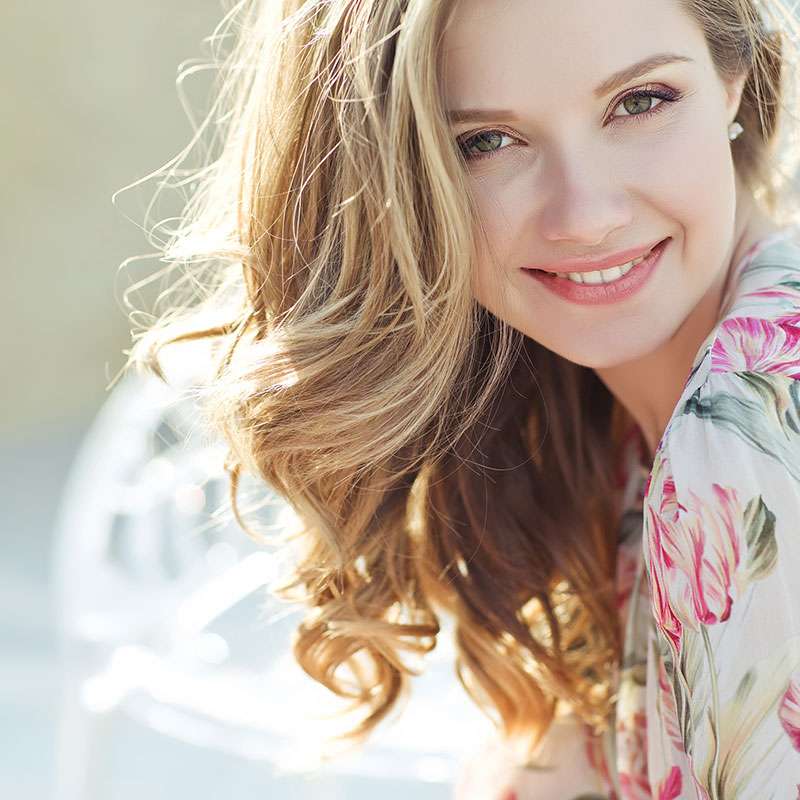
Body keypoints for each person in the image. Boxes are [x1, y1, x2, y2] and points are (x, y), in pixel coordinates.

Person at [123, 0, 800, 796]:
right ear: (389, 187)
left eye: (641, 101)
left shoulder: (749, 428)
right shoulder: (603, 420)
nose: (586, 216)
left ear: (734, 80)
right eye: (485, 143)